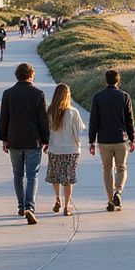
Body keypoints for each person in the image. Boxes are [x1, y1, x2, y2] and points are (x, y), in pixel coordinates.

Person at [0, 62, 50, 223]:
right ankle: (29, 206)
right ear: (31, 74)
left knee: (18, 174)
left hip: (14, 139)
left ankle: (21, 205)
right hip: (32, 140)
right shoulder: (38, 94)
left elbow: (4, 118)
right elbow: (43, 120)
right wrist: (46, 139)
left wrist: (4, 138)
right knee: (32, 174)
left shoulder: (8, 94)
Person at [88, 69, 135, 211]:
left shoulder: (98, 97)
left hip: (104, 140)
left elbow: (94, 120)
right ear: (118, 80)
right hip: (121, 139)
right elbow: (130, 120)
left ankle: (110, 200)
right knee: (121, 167)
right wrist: (132, 138)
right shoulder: (124, 97)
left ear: (105, 80)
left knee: (107, 169)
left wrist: (91, 140)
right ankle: (118, 192)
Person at [45, 83, 83, 215]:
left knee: (55, 175)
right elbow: (79, 130)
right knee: (68, 178)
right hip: (71, 149)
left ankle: (57, 198)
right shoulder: (73, 112)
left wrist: (46, 143)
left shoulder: (50, 111)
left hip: (55, 148)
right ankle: (67, 206)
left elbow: (47, 130)